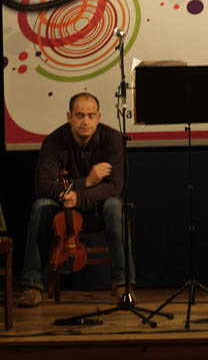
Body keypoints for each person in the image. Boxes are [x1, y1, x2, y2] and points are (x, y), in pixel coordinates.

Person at [17, 92, 136, 307]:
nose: (85, 121)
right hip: (63, 210)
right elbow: (42, 186)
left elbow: (114, 187)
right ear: (69, 117)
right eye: (80, 115)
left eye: (91, 116)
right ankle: (32, 285)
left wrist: (79, 197)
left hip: (97, 208)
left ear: (99, 117)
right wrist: (86, 182)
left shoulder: (113, 140)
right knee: (41, 206)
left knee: (115, 206)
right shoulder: (54, 142)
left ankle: (123, 284)